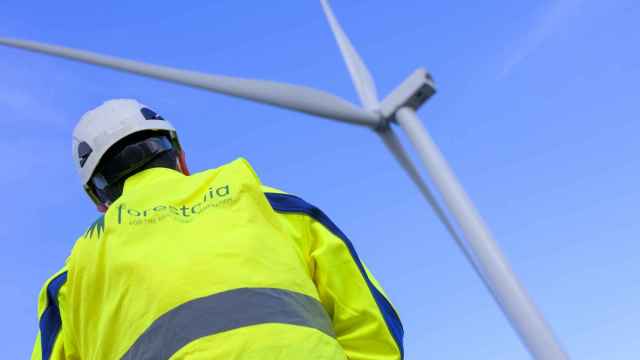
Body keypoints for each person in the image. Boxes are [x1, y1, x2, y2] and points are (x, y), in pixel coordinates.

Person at [31, 99, 403, 360]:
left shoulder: (69, 282)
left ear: (99, 198)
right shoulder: (270, 203)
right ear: (180, 158)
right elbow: (372, 323)